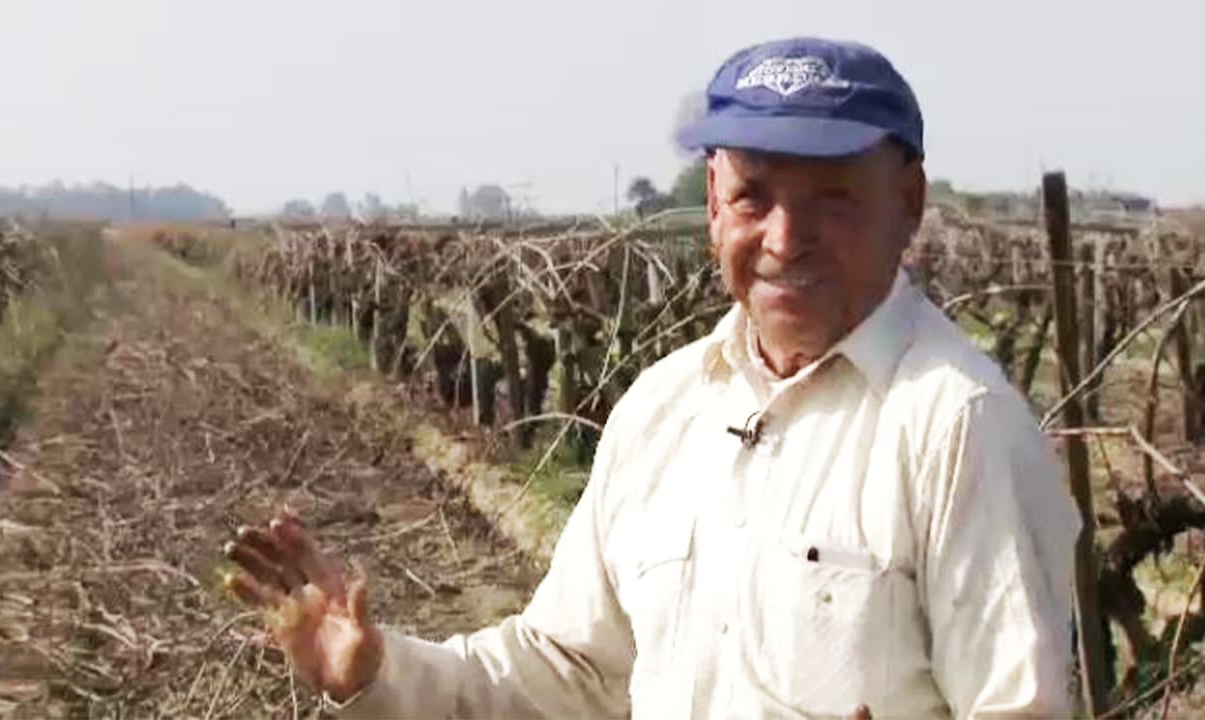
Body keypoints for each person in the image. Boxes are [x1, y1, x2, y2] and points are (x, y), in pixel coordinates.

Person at [223, 37, 1082, 719]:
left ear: (909, 203)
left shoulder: (957, 426)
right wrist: (379, 672)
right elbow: (568, 670)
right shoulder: (666, 407)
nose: (786, 238)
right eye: (753, 197)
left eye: (834, 198)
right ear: (712, 205)